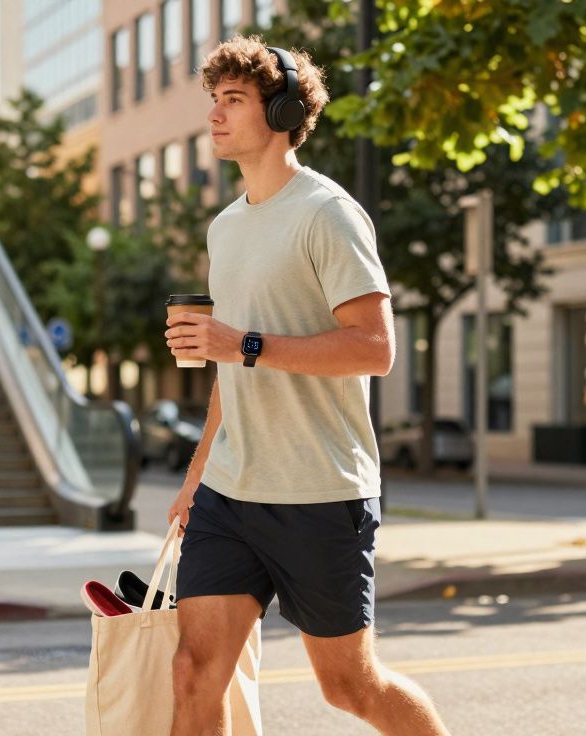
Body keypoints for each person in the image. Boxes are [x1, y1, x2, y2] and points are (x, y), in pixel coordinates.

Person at [162, 35, 452, 736]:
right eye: (214, 100)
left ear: (285, 111)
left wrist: (246, 344)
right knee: (194, 672)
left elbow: (374, 350)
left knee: (350, 686)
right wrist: (198, 476)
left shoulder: (329, 214)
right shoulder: (225, 229)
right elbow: (231, 373)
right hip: (232, 494)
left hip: (319, 491)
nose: (215, 115)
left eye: (234, 100)